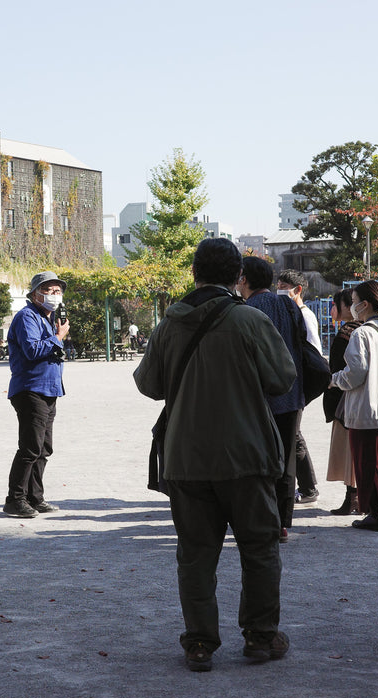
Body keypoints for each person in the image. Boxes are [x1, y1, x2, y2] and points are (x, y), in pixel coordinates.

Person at [135, 238, 296, 672]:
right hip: (247, 454)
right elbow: (283, 379)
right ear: (237, 277)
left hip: (187, 457)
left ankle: (200, 643)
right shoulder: (250, 320)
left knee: (195, 554)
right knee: (259, 548)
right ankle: (261, 637)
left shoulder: (170, 324)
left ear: (193, 272)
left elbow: (148, 384)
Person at [329, 280, 378, 530]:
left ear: (364, 305)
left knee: (367, 463)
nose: (352, 307)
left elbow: (355, 373)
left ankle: (375, 513)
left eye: (353, 302)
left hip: (367, 410)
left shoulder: (362, 333)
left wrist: (334, 380)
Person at [239, 256, 307, 542]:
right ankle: (282, 523)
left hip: (259, 398)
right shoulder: (289, 305)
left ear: (244, 279)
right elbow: (302, 340)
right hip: (291, 395)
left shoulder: (245, 310)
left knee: (259, 461)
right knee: (286, 461)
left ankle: (261, 519)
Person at [4, 271, 68, 518]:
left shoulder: (50, 319)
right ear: (34, 294)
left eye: (58, 291)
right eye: (49, 291)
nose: (55, 296)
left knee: (44, 448)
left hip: (49, 389)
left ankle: (34, 496)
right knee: (30, 447)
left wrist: (56, 335)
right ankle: (15, 499)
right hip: (30, 388)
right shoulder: (26, 317)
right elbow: (31, 350)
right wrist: (58, 337)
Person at [276, 269, 320, 504]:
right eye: (279, 284)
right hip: (292, 384)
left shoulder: (304, 315)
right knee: (294, 436)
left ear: (297, 290)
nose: (279, 289)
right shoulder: (289, 312)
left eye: (284, 285)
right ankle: (306, 486)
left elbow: (313, 353)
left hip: (297, 384)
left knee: (294, 437)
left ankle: (308, 487)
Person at [323, 288, 363, 516]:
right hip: (363, 399)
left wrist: (330, 382)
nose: (332, 309)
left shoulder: (348, 332)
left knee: (350, 452)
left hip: (345, 399)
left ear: (348, 307)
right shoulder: (370, 329)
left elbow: (339, 368)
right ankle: (356, 498)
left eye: (335, 303)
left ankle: (353, 498)